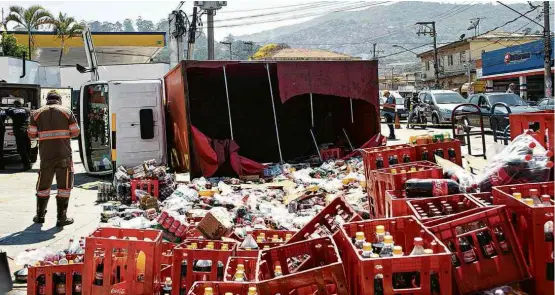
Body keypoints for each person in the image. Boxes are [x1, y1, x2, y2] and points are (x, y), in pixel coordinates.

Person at [27, 90, 80, 226]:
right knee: (64, 187)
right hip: (64, 155)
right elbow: (75, 132)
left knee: (43, 186)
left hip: (46, 156)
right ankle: (61, 218)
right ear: (59, 100)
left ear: (47, 99)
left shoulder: (36, 113)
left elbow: (32, 135)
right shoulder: (66, 112)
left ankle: (40, 216)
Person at [7, 100, 31, 171]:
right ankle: (28, 161)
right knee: (27, 146)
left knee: (21, 148)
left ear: (14, 105)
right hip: (27, 130)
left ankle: (26, 164)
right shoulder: (26, 110)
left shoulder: (12, 110)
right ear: (21, 104)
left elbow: (7, 115)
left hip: (19, 130)